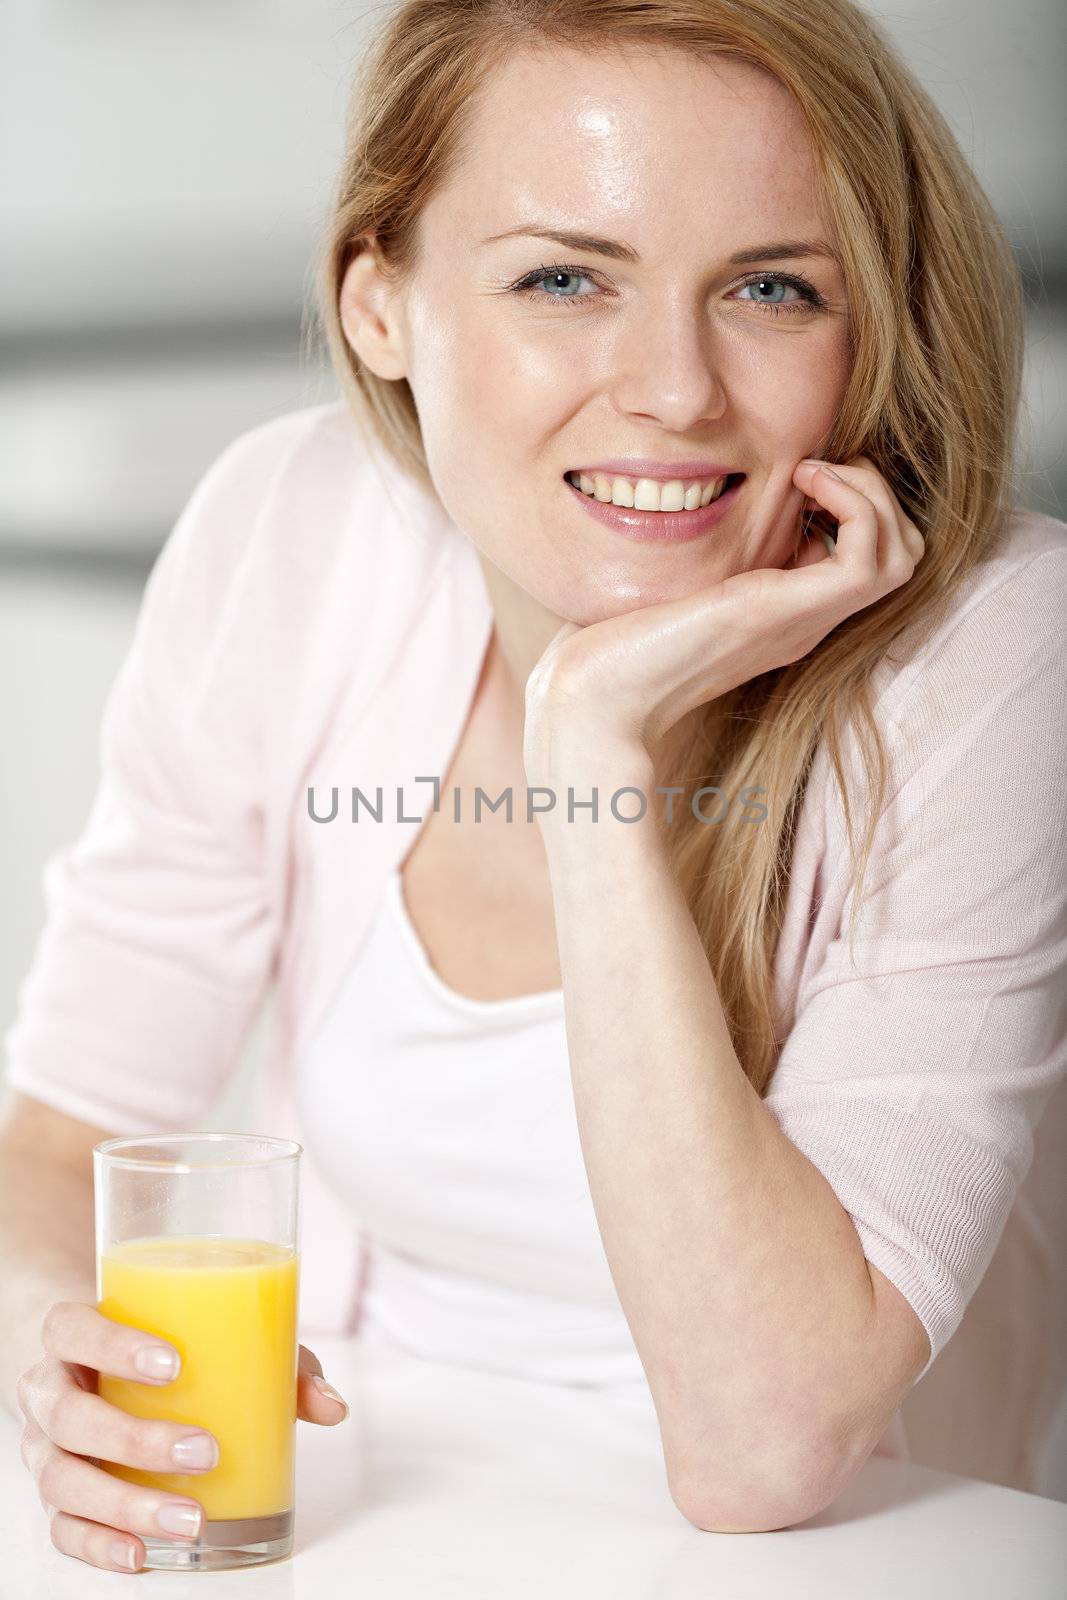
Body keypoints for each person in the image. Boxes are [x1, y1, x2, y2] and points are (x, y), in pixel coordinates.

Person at [4, 0, 1066, 1575]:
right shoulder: (296, 532)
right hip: (396, 1503)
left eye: (772, 289)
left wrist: (591, 753)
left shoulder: (1001, 648)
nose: (676, 390)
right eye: (565, 279)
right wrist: (54, 1353)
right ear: (382, 304)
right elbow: (65, 1135)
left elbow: (767, 1447)